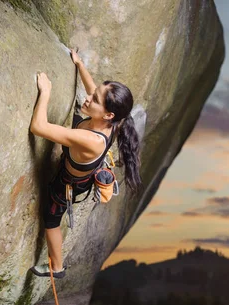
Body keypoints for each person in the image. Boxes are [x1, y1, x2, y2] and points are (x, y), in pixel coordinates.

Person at [29, 49, 142, 278]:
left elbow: (38, 128)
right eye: (95, 94)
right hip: (74, 169)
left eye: (95, 99)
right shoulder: (112, 121)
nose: (88, 98)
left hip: (67, 184)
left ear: (108, 114)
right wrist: (79, 64)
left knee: (51, 220)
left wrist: (46, 92)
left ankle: (57, 268)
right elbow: (92, 87)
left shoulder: (91, 139)